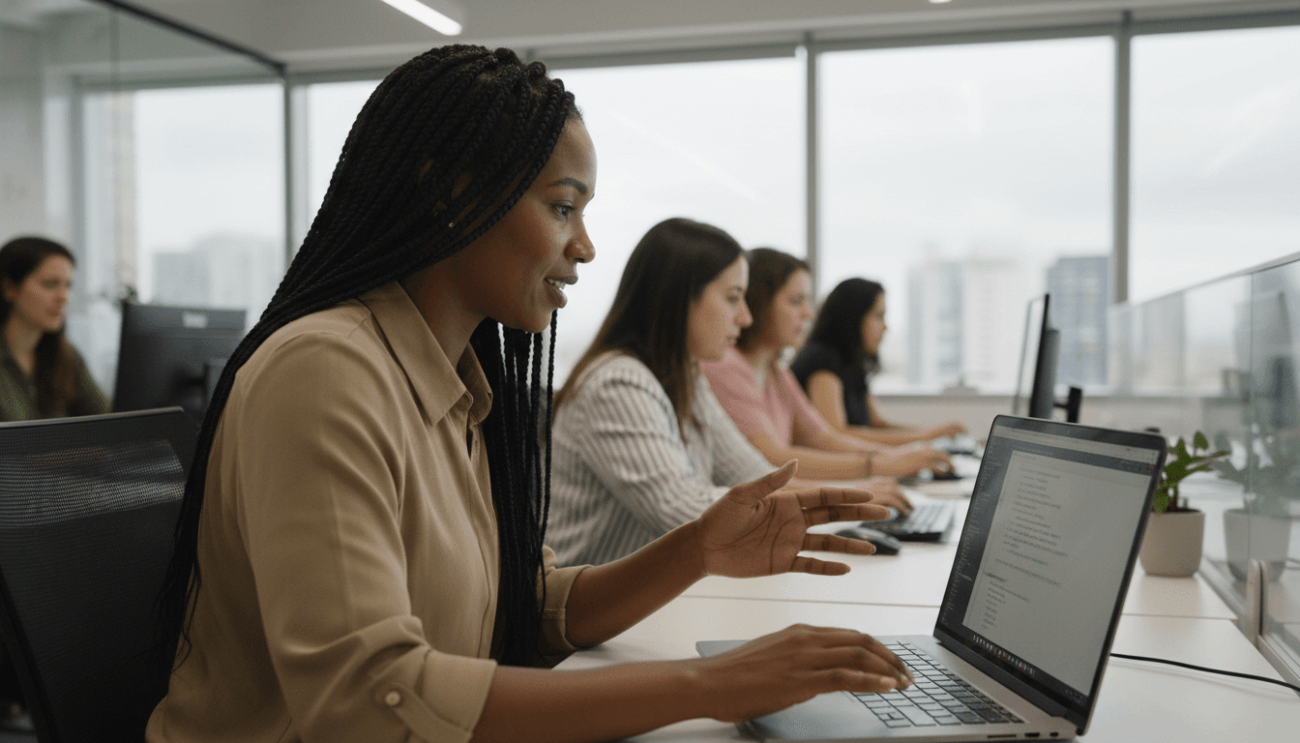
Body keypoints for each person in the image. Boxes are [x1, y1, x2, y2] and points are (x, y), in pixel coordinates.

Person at [148, 46, 911, 743]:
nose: (585, 245)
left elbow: (530, 605)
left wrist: (699, 549)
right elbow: (367, 697)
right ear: (454, 194)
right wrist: (709, 685)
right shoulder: (326, 371)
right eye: (562, 206)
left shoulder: (462, 389)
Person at [547, 219, 905, 567]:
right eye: (733, 298)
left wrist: (852, 497)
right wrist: (843, 502)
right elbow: (684, 511)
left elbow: (754, 475)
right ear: (680, 300)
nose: (745, 317)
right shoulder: (618, 383)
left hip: (656, 600)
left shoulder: (686, 376)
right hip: (581, 612)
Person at [701, 249, 952, 484]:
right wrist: (882, 464)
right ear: (759, 302)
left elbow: (822, 437)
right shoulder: (725, 366)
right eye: (796, 301)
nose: (808, 314)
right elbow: (771, 459)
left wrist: (897, 457)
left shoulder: (777, 372)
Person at [791, 277, 966, 447]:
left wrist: (933, 434)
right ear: (853, 318)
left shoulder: (852, 365)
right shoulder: (822, 359)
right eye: (878, 316)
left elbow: (877, 424)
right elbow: (837, 434)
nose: (885, 327)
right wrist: (924, 436)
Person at [0, 236, 109, 422]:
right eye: (50, 284)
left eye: (67, 286)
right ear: (9, 289)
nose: (64, 297)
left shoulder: (66, 355)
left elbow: (111, 420)